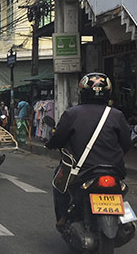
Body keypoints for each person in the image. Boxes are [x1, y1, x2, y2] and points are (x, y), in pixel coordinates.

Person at [46, 73, 132, 227]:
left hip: (81, 170)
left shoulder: (71, 114)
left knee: (58, 179)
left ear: (82, 92)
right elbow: (126, 143)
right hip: (114, 170)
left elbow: (58, 139)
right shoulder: (117, 115)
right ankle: (124, 219)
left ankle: (63, 217)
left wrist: (51, 144)